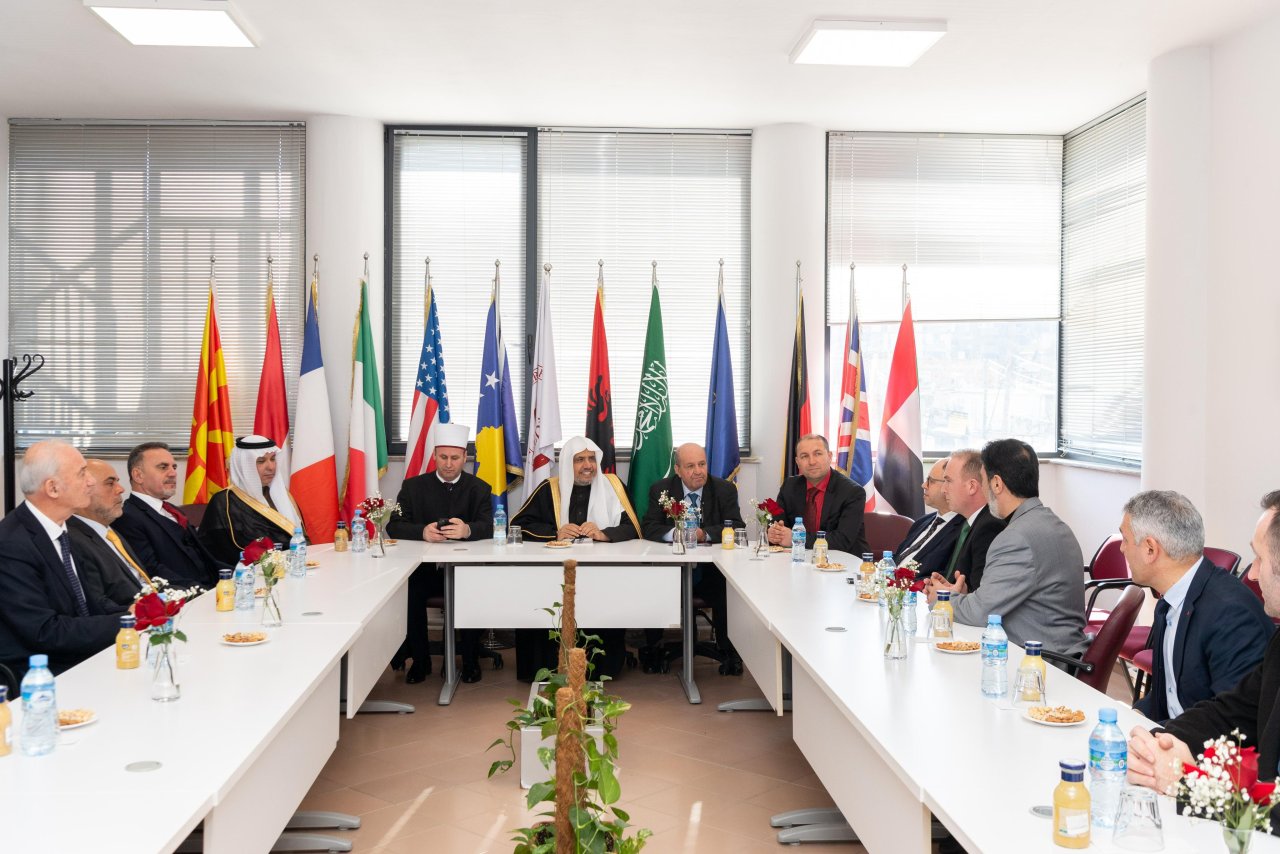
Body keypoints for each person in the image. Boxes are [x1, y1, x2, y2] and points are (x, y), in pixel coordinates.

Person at [1128, 491, 1280, 814]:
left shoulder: (1231, 612)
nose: (1252, 574)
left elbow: (1246, 746)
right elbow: (1234, 708)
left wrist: (1189, 784)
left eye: (1259, 559)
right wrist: (1165, 742)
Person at [1122, 490, 1273, 723]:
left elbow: (1232, 722)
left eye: (1125, 539)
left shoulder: (1231, 613)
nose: (1122, 548)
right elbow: (1167, 694)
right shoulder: (1170, 600)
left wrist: (1155, 736)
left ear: (1150, 549)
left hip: (1198, 742)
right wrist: (1134, 717)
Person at [927, 438, 1087, 656]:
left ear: (996, 484)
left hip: (1038, 660)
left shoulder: (1015, 538)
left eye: (983, 480)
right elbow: (993, 599)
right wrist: (961, 597)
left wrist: (942, 599)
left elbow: (980, 613)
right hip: (1062, 649)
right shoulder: (1055, 524)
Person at [512, 436, 640, 680]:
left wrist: (604, 533)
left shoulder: (613, 486)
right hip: (554, 575)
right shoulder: (550, 489)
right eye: (580, 459)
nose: (587, 465)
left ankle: (600, 669)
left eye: (591, 459)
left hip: (601, 575)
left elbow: (633, 526)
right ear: (567, 463)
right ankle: (550, 668)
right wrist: (555, 532)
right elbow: (519, 526)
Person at [0, 441, 126, 679]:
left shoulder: (62, 531)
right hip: (42, 675)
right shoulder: (11, 545)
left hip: (80, 657)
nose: (91, 481)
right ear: (53, 488)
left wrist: (139, 610)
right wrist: (129, 621)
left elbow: (88, 605)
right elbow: (45, 632)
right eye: (82, 473)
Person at [386, 423, 493, 684]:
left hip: (465, 571)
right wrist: (422, 531)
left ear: (465, 458)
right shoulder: (412, 487)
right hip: (424, 571)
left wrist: (468, 530)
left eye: (454, 458)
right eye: (443, 457)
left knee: (474, 592)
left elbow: (492, 525)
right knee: (409, 593)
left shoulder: (479, 488)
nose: (448, 464)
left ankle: (469, 661)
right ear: (434, 456)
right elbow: (394, 525)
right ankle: (420, 661)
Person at [640, 442, 744, 664]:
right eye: (690, 466)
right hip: (672, 572)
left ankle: (727, 649)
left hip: (712, 572)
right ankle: (653, 649)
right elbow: (649, 527)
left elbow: (736, 526)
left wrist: (703, 534)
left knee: (729, 587)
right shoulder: (661, 490)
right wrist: (678, 534)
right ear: (678, 470)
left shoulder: (724, 489)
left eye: (702, 464)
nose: (698, 471)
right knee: (651, 582)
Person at [115, 441, 224, 588]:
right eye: (163, 467)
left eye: (174, 467)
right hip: (186, 595)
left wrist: (234, 574)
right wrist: (203, 592)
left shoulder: (172, 509)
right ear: (138, 475)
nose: (173, 473)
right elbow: (150, 571)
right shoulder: (127, 518)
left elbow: (204, 556)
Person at [198, 435, 302, 566]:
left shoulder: (282, 496)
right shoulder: (224, 501)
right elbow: (216, 552)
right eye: (261, 461)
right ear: (244, 466)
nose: (271, 467)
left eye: (273, 459)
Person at [67, 458, 155, 608]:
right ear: (82, 491)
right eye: (110, 483)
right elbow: (98, 605)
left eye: (117, 482)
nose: (121, 489)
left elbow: (140, 582)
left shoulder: (110, 531)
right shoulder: (73, 540)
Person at [767, 434, 869, 555]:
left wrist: (797, 538)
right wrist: (774, 534)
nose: (812, 462)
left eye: (817, 454)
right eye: (804, 456)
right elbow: (778, 524)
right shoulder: (789, 486)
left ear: (829, 456)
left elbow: (842, 540)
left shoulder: (852, 492)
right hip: (799, 559)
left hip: (844, 560)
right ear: (797, 462)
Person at [935, 449, 1006, 592]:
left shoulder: (990, 527)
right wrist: (946, 587)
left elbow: (981, 593)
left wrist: (947, 596)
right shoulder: (968, 521)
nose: (943, 490)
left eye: (948, 481)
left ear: (972, 487)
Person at [895, 457, 963, 577]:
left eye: (930, 481)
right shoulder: (922, 521)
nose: (923, 485)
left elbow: (947, 575)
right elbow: (897, 558)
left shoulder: (963, 529)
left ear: (949, 485)